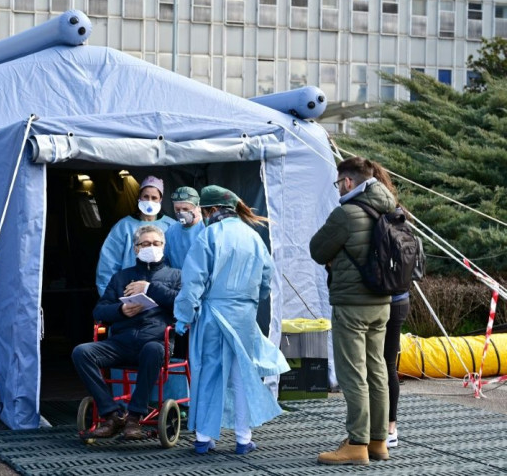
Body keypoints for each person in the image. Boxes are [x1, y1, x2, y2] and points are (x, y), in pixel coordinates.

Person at [174, 185, 289, 455]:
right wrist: (248, 302)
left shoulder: (207, 236)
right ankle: (242, 438)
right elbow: (265, 281)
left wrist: (184, 315)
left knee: (209, 373)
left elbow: (194, 281)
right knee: (242, 376)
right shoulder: (253, 237)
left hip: (213, 315)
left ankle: (203, 438)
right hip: (244, 317)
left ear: (213, 210)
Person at [309, 156, 396, 465]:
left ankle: (356, 444)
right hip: (382, 302)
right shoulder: (391, 207)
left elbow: (317, 249)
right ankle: (378, 441)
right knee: (378, 371)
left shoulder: (346, 213)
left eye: (338, 183)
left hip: (351, 304)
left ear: (347, 182)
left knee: (352, 373)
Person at [73, 225, 181, 440]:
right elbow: (99, 310)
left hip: (155, 341)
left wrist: (149, 288)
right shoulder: (121, 277)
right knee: (81, 352)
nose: (151, 247)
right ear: (135, 249)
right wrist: (120, 310)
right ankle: (112, 415)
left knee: (151, 349)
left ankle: (134, 417)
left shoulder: (176, 275)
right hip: (121, 343)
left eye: (156, 243)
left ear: (164, 246)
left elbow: (182, 305)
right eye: (145, 244)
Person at [371, 161, 410, 449]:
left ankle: (377, 429)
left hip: (378, 300)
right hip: (401, 297)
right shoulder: (399, 214)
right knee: (389, 364)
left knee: (374, 365)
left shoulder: (371, 216)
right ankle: (391, 427)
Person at [95, 176, 175, 296]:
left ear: (161, 200)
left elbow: (179, 261)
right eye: (146, 197)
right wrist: (111, 300)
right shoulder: (123, 227)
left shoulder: (171, 226)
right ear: (139, 198)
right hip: (129, 290)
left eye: (154, 198)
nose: (149, 201)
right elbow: (108, 265)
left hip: (163, 290)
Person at [164, 186, 205, 268]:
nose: (181, 213)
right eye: (177, 209)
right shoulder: (171, 231)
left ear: (198, 207)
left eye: (185, 209)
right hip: (177, 279)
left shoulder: (207, 230)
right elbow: (165, 261)